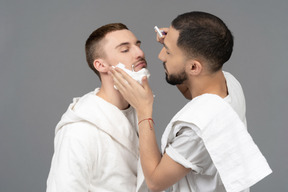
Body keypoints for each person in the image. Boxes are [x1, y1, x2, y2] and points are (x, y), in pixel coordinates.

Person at [110, 11, 272, 192]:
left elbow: (155, 182)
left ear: (194, 67)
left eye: (168, 52)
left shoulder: (196, 131)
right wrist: (173, 43)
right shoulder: (227, 82)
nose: (160, 56)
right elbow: (192, 91)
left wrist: (143, 110)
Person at [46, 23, 150, 192]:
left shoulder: (139, 111)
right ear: (101, 65)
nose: (140, 53)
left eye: (138, 45)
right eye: (125, 50)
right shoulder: (79, 129)